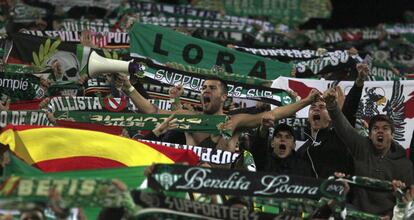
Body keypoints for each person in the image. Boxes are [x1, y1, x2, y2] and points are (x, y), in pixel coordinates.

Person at [114, 74, 319, 153]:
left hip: (222, 184)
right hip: (192, 180)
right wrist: (129, 88)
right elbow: (153, 111)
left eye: (211, 88)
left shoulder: (235, 120)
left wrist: (307, 101)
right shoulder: (189, 117)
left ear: (224, 97)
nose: (205, 91)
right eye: (203, 88)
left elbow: (275, 114)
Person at [324, 87, 414, 217]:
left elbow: (410, 199)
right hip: (355, 212)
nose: (380, 131)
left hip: (389, 216)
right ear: (370, 135)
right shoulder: (361, 146)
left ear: (393, 135)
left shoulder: (405, 165)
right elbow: (344, 128)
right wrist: (332, 105)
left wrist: (401, 200)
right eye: (375, 128)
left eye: (385, 128)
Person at [296, 63, 369, 179]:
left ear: (331, 116)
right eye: (313, 107)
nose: (316, 108)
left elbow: (349, 111)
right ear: (308, 118)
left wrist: (359, 82)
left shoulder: (338, 135)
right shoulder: (302, 150)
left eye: (321, 107)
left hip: (339, 193)